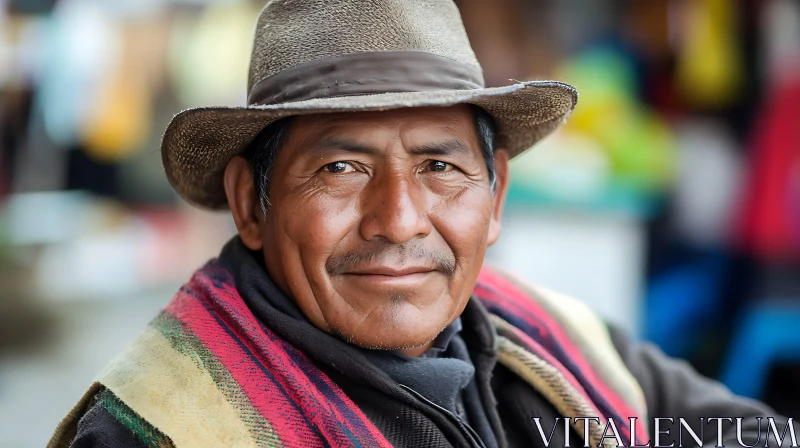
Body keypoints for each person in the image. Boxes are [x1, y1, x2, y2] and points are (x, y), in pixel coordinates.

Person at [50, 1, 795, 447]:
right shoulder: (162, 426)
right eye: (340, 169)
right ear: (251, 203)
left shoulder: (550, 341)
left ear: (495, 198)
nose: (399, 219)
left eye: (441, 167)